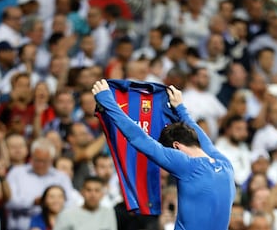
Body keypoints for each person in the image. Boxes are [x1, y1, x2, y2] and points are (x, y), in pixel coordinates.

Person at [91, 79, 235, 230]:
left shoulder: (187, 165)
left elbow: (138, 138)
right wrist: (180, 108)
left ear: (176, 146)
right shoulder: (225, 164)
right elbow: (203, 139)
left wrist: (107, 101)